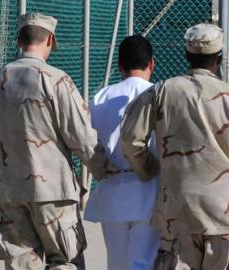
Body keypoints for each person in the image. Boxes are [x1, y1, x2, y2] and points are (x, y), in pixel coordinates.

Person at [120, 23, 229, 270]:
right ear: (219, 58)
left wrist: (150, 168)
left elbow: (130, 139)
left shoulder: (162, 92)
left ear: (187, 56)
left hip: (177, 212)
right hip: (224, 213)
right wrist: (225, 161)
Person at [0, 12, 115, 270]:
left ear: (20, 40)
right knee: (64, 259)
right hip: (52, 190)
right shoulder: (55, 79)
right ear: (50, 40)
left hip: (9, 189)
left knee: (22, 263)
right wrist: (106, 170)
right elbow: (81, 136)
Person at [84, 35, 160, 270]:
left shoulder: (100, 97)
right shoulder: (159, 93)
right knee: (143, 262)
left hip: (112, 189)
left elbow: (90, 140)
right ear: (152, 64)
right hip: (149, 189)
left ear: (120, 66)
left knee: (116, 264)